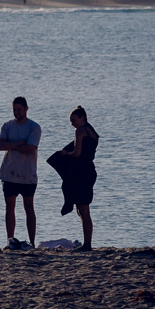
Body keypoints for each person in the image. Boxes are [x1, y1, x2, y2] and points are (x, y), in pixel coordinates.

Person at [47, 106, 99, 250]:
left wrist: (64, 154)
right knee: (83, 209)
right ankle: (87, 243)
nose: (72, 124)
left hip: (83, 172)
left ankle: (87, 244)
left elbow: (77, 153)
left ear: (82, 118)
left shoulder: (80, 131)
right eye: (71, 121)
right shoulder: (93, 132)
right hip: (90, 171)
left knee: (83, 209)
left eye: (74, 120)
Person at [0, 97, 42, 250]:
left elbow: (31, 148)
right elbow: (1, 145)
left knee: (29, 207)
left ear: (26, 109)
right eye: (14, 109)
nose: (16, 112)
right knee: (9, 207)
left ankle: (32, 241)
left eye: (19, 109)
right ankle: (10, 240)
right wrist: (18, 144)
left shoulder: (34, 127)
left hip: (28, 174)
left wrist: (12, 145)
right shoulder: (7, 125)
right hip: (9, 173)